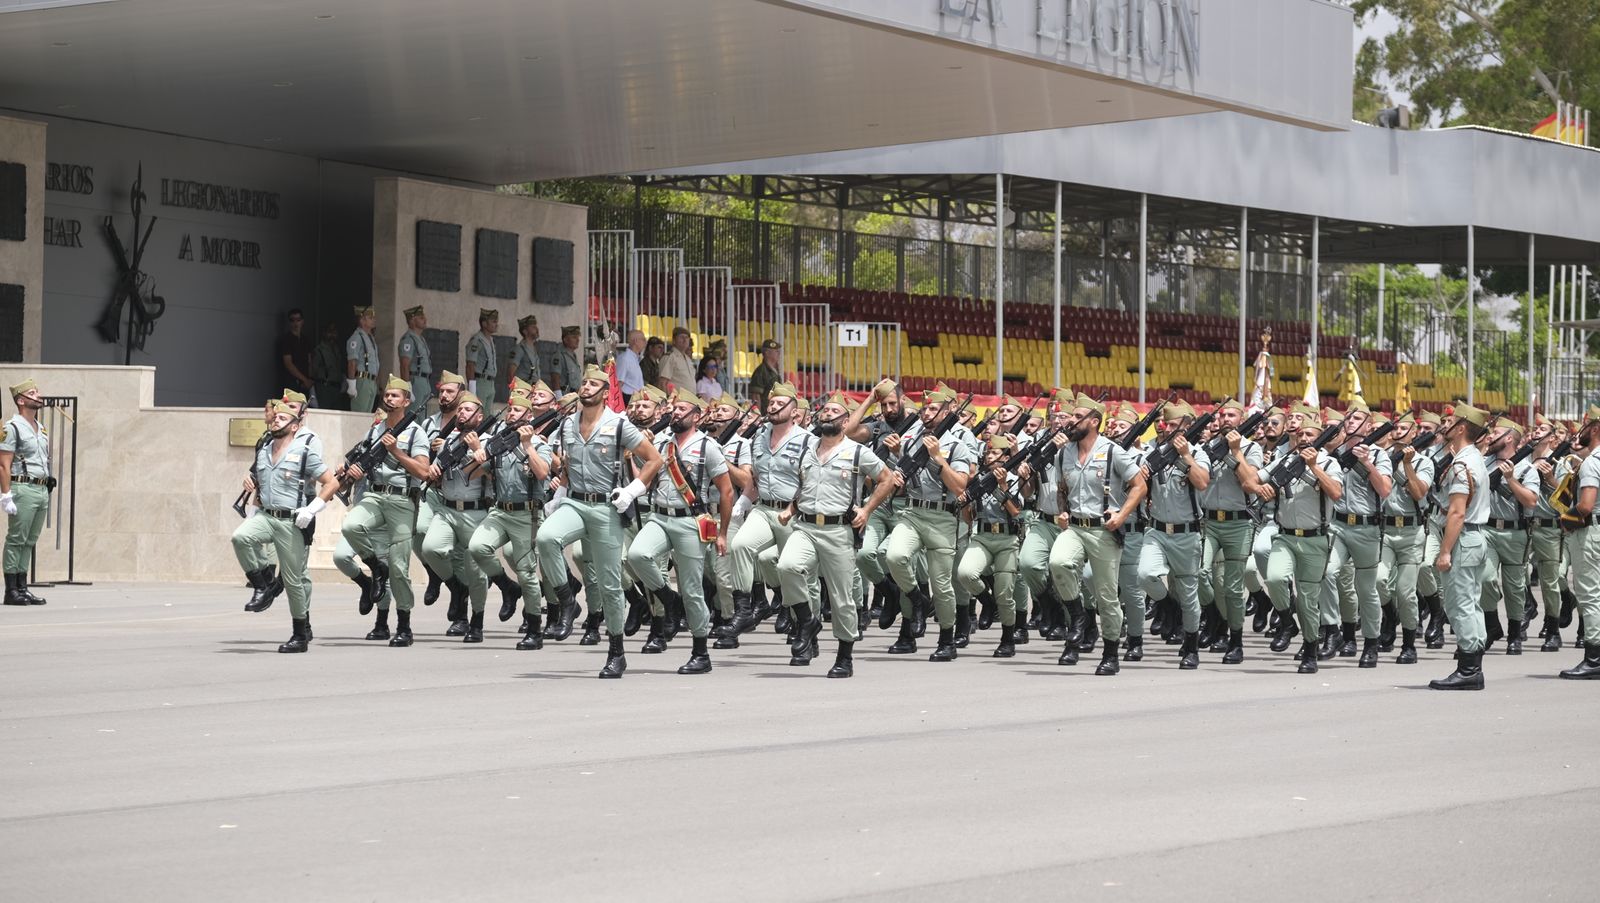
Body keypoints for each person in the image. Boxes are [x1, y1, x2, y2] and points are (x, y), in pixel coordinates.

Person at [535, 364, 663, 678]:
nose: (587, 387)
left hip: (607, 507)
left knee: (610, 584)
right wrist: (559, 494)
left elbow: (655, 459)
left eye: (594, 384)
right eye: (585, 383)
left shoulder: (619, 425)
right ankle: (567, 601)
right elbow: (568, 465)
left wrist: (632, 491)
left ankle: (616, 651)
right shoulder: (567, 425)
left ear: (606, 393)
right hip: (576, 502)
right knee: (545, 538)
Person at [776, 392, 898, 677]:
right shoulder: (808, 448)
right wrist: (791, 508)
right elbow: (805, 486)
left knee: (842, 597)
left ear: (845, 421)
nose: (827, 414)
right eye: (825, 411)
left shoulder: (857, 451)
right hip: (805, 526)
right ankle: (807, 621)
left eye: (834, 412)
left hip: (838, 530)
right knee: (786, 566)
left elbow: (887, 479)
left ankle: (845, 657)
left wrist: (867, 510)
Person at [625, 388, 733, 674]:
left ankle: (700, 651)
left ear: (696, 416)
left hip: (690, 521)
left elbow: (726, 491)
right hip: (659, 516)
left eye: (683, 410)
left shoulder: (708, 446)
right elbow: (646, 479)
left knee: (692, 588)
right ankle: (669, 600)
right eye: (674, 410)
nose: (676, 414)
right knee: (636, 555)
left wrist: (722, 533)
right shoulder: (661, 444)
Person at [1047, 393, 1148, 674]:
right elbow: (1063, 489)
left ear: (1094, 421)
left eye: (1077, 417)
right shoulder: (1063, 453)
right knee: (1058, 563)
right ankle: (1078, 616)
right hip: (1076, 527)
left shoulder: (1113, 451)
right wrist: (1063, 509)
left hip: (1103, 531)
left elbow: (1140, 486)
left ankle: (1111, 652)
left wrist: (1122, 514)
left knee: (1107, 597)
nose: (1070, 421)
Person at [231, 399, 337, 653]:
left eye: (282, 418)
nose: (276, 420)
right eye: (275, 416)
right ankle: (262, 586)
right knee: (240, 537)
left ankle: (300, 634)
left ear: (294, 426)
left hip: (291, 521)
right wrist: (250, 484)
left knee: (293, 581)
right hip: (267, 516)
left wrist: (312, 509)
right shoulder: (265, 449)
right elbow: (260, 482)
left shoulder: (304, 451)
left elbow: (331, 482)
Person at [882, 383, 977, 662]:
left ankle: (946, 637)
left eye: (933, 408)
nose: (926, 413)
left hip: (943, 517)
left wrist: (938, 460)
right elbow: (902, 474)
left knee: (942, 583)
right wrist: (899, 462)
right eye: (924, 408)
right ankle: (917, 599)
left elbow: (961, 486)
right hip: (912, 512)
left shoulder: (958, 442)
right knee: (894, 556)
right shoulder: (912, 438)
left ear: (948, 411)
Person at [338, 376, 433, 646]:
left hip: (402, 501)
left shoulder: (416, 432)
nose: (389, 399)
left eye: (395, 396)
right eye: (387, 395)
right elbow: (363, 460)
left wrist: (397, 452)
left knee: (400, 568)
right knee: (351, 526)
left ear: (407, 401)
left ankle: (404, 625)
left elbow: (424, 472)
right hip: (375, 496)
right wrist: (355, 471)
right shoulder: (375, 430)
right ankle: (376, 567)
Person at [466, 390, 553, 650]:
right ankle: (506, 586)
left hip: (527, 513)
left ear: (529, 415)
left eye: (517, 410)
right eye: (510, 409)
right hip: (500, 511)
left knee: (527, 572)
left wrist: (526, 445)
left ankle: (535, 629)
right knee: (477, 547)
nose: (511, 413)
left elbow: (541, 473)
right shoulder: (498, 442)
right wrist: (477, 454)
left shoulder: (539, 444)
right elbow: (471, 475)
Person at [1259, 413, 1343, 674]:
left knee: (1308, 600)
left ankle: (1310, 648)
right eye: (1301, 435)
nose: (1304, 438)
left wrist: (1315, 467)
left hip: (1315, 539)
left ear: (1319, 440)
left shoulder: (1329, 464)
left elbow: (1337, 493)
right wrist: (1258, 487)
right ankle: (1286, 620)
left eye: (1310, 435)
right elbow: (1255, 480)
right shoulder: (1284, 461)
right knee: (1274, 578)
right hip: (1285, 536)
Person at [1136, 400, 1212, 669]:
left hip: (1186, 533)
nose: (1165, 428)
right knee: (1144, 574)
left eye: (1171, 424)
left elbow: (1202, 483)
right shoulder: (1153, 453)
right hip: (1156, 530)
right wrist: (1141, 476)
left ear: (1187, 427)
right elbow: (1137, 488)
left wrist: (1186, 457)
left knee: (1190, 596)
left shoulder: (1199, 453)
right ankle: (1166, 605)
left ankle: (1191, 644)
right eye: (1165, 424)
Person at [1429, 404, 1492, 690]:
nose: (1446, 426)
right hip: (1476, 537)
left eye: (1452, 422)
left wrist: (1444, 551)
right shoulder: (1475, 458)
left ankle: (1468, 669)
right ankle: (1473, 665)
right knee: (1471, 601)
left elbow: (1457, 513)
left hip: (1464, 537)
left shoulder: (1461, 464)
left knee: (1459, 603)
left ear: (1462, 428)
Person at [1200, 399, 1265, 663]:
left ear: (1241, 419)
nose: (1226, 419)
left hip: (1238, 523)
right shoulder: (1207, 447)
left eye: (1232, 415)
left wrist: (1236, 452)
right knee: (1199, 573)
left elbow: (1251, 484)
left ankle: (1235, 639)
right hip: (1208, 522)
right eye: (1223, 415)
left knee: (1232, 587)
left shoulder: (1252, 448)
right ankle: (1214, 616)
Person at [957, 435, 1024, 657]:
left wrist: (1001, 485)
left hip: (1007, 539)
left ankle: (1007, 638)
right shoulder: (978, 479)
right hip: (982, 536)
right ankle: (987, 601)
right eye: (988, 453)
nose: (989, 456)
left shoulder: (1014, 479)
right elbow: (968, 516)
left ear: (1006, 457)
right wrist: (965, 499)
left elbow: (1015, 511)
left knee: (1005, 593)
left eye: (995, 453)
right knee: (966, 573)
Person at [1375, 412, 1433, 664]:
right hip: (1385, 530)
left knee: (1406, 592)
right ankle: (1390, 615)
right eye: (1395, 428)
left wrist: (1406, 465)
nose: (1397, 432)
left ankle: (1409, 643)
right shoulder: (1383, 459)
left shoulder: (1424, 462)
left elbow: (1419, 494)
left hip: (1411, 532)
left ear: (1414, 434)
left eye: (1403, 429)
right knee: (1378, 580)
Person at [1, 379, 53, 606]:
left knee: (30, 540)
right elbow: (4, 464)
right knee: (16, 539)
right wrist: (6, 495)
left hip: (41, 489)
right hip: (22, 488)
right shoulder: (11, 428)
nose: (38, 395)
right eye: (32, 392)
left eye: (37, 391)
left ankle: (23, 587)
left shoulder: (40, 428)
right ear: (21, 400)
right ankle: (11, 590)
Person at [1559, 407, 1600, 679]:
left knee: (1590, 595)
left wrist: (1565, 518)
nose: (1580, 431)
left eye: (1585, 426)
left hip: (1590, 532)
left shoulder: (1592, 462)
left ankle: (1594, 658)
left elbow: (1585, 505)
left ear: (1595, 429)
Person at [397, 305, 433, 416]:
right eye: (421, 317)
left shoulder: (421, 339)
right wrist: (408, 388)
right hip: (415, 381)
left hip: (424, 381)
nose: (425, 320)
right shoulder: (408, 339)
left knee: (422, 417)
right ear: (412, 320)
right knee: (413, 416)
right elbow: (404, 365)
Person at [345, 306, 381, 413]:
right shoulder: (357, 337)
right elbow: (352, 362)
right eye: (370, 318)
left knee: (367, 417)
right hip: (362, 381)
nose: (373, 320)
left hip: (371, 381)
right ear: (362, 320)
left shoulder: (370, 338)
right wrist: (351, 383)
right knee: (359, 414)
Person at [464, 308, 500, 407]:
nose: (496, 324)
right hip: (480, 382)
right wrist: (472, 389)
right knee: (478, 414)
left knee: (487, 417)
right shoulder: (477, 340)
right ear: (484, 323)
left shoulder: (491, 340)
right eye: (493, 322)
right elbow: (470, 365)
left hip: (490, 383)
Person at [276, 309, 316, 395]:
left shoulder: (305, 340)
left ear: (302, 321)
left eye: (298, 320)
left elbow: (309, 361)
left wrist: (310, 379)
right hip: (291, 385)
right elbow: (288, 364)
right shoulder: (286, 340)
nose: (295, 323)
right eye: (292, 320)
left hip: (305, 385)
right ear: (289, 322)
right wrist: (305, 380)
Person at [309, 322, 345, 411]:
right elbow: (313, 371)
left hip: (337, 388)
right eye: (329, 332)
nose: (332, 335)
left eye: (334, 332)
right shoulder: (319, 350)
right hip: (324, 388)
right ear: (324, 333)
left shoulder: (337, 350)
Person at [748, 339, 783, 410]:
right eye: (776, 351)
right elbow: (756, 396)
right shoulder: (760, 372)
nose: (779, 354)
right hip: (766, 412)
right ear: (767, 353)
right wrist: (758, 415)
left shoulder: (775, 370)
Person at [658, 326, 696, 392]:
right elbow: (662, 383)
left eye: (687, 337)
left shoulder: (688, 359)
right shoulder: (670, 357)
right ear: (674, 340)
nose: (685, 340)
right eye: (681, 337)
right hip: (676, 400)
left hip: (689, 400)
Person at [510, 314, 543, 387]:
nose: (537, 329)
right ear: (525, 331)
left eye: (536, 326)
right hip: (523, 388)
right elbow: (511, 372)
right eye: (533, 327)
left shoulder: (534, 348)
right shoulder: (519, 349)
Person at [616, 330, 646, 400]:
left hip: (636, 398)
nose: (645, 342)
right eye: (643, 339)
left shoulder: (634, 358)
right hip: (627, 399)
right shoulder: (625, 358)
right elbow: (618, 383)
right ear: (636, 341)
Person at [556, 325, 583, 393]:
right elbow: (555, 378)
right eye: (574, 337)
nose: (577, 340)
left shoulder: (573, 355)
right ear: (565, 339)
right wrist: (558, 396)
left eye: (578, 337)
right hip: (565, 395)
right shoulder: (559, 356)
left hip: (575, 395)